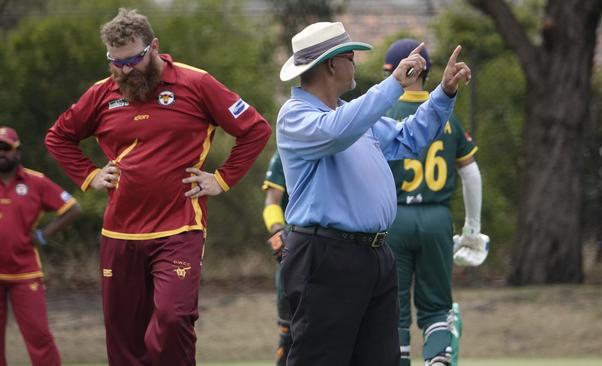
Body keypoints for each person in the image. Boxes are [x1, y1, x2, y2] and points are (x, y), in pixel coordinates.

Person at [44, 8, 271, 366]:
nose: (125, 70)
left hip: (179, 228)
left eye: (132, 59)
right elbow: (59, 137)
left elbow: (255, 129)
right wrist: (89, 175)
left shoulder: (197, 83)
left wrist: (222, 179)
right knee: (124, 336)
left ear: (154, 47)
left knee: (172, 318)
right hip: (120, 234)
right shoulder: (102, 93)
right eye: (115, 62)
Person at [276, 21, 471, 366]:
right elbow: (337, 132)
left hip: (376, 256)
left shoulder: (347, 113)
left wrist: (444, 94)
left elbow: (407, 137)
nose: (355, 65)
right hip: (325, 256)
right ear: (331, 64)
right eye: (351, 57)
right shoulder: (297, 116)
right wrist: (394, 84)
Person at [382, 39, 489, 366]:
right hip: (437, 220)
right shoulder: (448, 115)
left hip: (394, 220)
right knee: (436, 308)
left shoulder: (383, 112)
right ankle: (438, 360)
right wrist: (472, 227)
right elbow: (471, 174)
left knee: (394, 312)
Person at [0, 126, 81, 366]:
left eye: (6, 149)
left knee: (39, 335)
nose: (1, 154)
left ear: (18, 152)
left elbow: (73, 208)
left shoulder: (36, 182)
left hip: (25, 272)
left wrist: (43, 235)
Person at [261, 151, 292, 366]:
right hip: (297, 245)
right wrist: (278, 234)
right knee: (290, 331)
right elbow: (272, 199)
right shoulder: (285, 152)